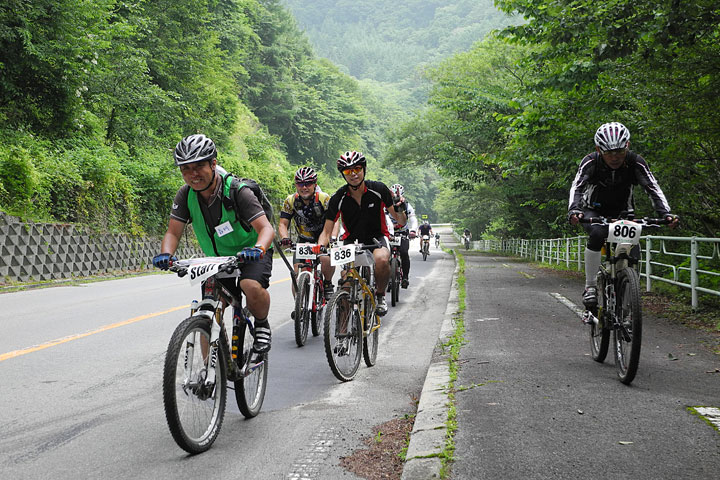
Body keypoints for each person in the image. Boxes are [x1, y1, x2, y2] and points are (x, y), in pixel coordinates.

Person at [152, 134, 275, 353]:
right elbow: (173, 231)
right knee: (207, 309)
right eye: (186, 169)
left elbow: (266, 229)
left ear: (214, 164)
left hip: (250, 252)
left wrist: (258, 248)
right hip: (216, 261)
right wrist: (166, 253)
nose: (193, 174)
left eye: (199, 166)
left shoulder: (238, 191)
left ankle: (262, 323)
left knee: (250, 286)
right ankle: (208, 377)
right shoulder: (185, 195)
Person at [568, 122, 679, 309]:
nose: (615, 157)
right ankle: (591, 287)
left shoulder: (635, 162)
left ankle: (629, 294)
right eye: (609, 153)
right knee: (596, 234)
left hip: (623, 212)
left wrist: (665, 214)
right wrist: (574, 210)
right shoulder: (591, 161)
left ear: (627, 146)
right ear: (598, 149)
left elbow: (652, 187)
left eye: (619, 151)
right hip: (593, 210)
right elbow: (577, 186)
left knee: (633, 248)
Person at [315, 151, 408, 316]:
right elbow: (326, 231)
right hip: (351, 241)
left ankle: (380, 296)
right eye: (347, 171)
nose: (353, 174)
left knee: (381, 259)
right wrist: (320, 247)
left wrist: (400, 208)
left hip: (377, 237)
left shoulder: (378, 189)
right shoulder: (339, 197)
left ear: (364, 169)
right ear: (343, 175)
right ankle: (342, 337)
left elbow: (400, 221)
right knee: (346, 284)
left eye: (357, 169)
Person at [278, 167, 335, 300]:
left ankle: (327, 283)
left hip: (323, 237)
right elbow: (283, 224)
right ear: (296, 185)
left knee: (326, 259)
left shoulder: (324, 198)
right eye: (300, 184)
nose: (304, 187)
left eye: (308, 183)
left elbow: (334, 220)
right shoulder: (290, 201)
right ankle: (299, 306)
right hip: (304, 239)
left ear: (315, 184)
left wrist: (332, 237)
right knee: (297, 273)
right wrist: (285, 238)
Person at [387, 183, 418, 288]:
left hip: (402, 232)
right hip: (389, 233)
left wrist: (413, 230)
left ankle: (405, 277)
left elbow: (413, 219)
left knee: (404, 253)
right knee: (384, 255)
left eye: (398, 197)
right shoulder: (386, 205)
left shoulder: (407, 205)